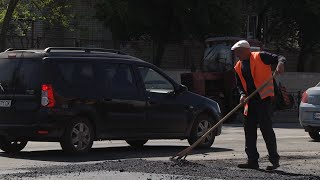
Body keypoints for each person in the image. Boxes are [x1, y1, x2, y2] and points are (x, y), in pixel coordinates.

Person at [231, 40, 285, 170]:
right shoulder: (238, 66)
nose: (236, 55)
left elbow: (280, 57)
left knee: (266, 130)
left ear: (245, 50)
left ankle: (274, 160)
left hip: (263, 100)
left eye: (238, 52)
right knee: (249, 131)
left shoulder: (260, 56)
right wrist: (242, 94)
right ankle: (252, 161)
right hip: (249, 102)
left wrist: (280, 64)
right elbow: (239, 84)